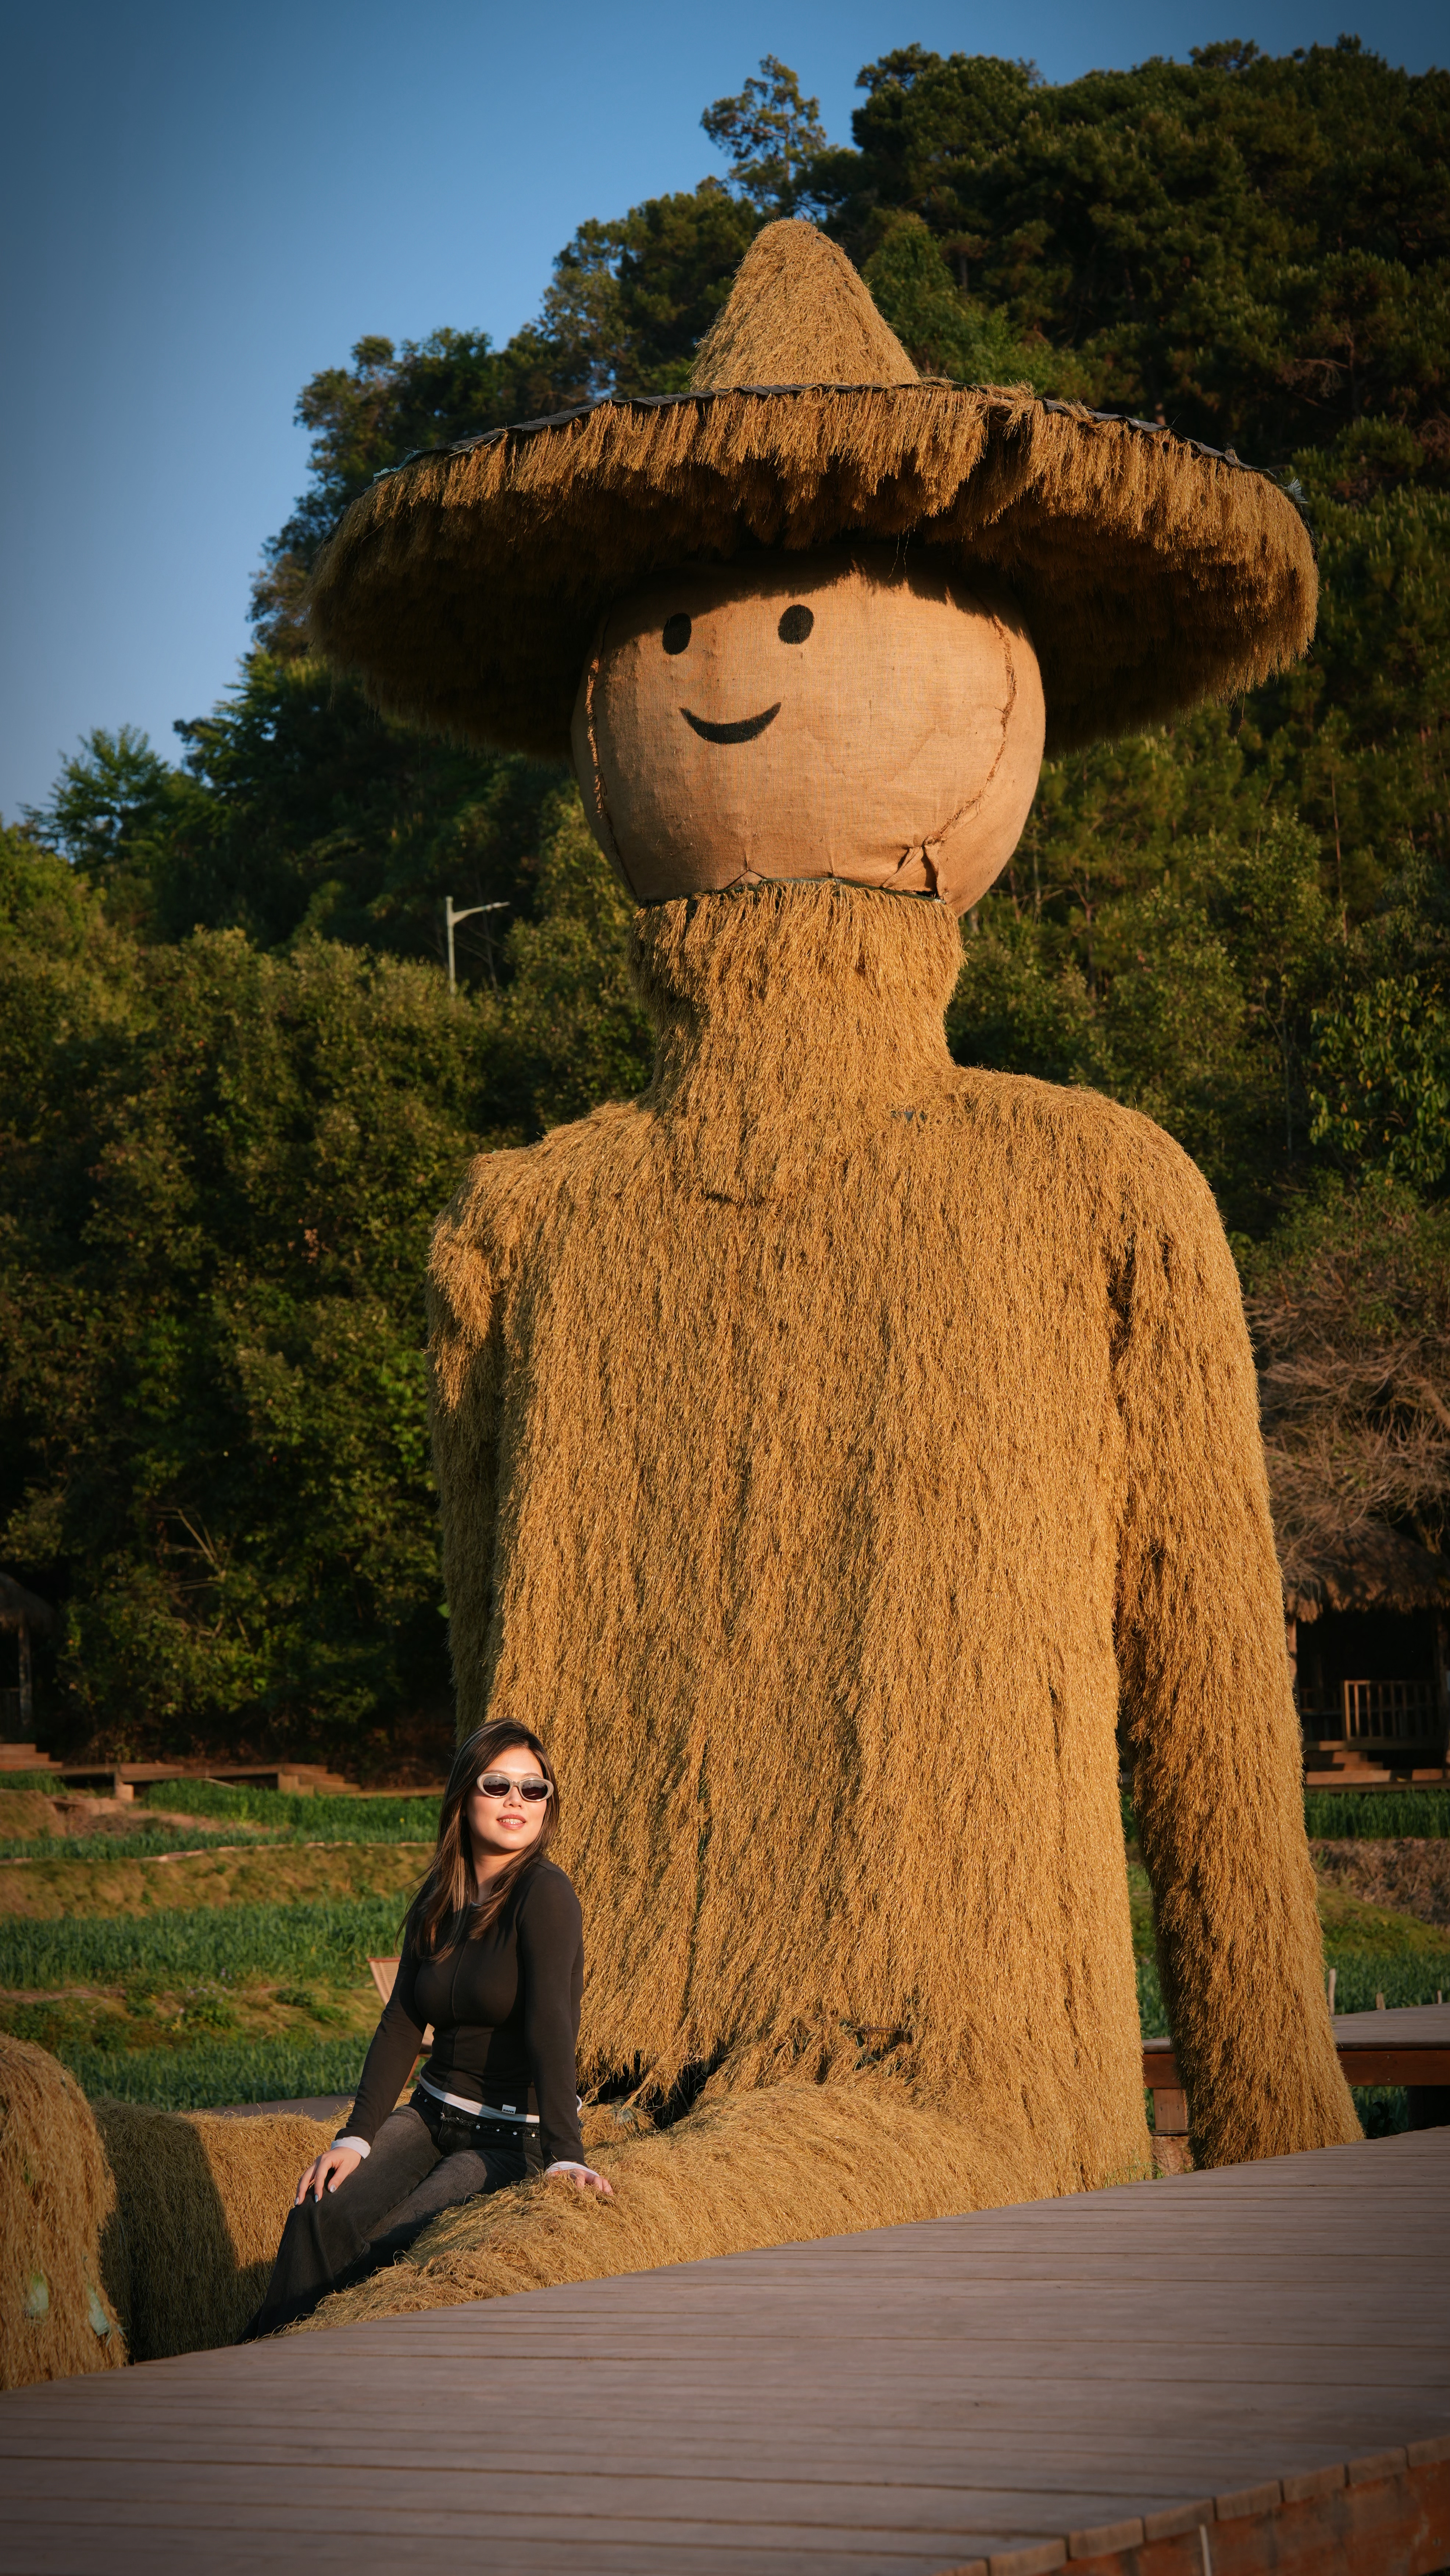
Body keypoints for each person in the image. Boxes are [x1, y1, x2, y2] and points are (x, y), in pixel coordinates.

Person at [242, 1720, 611, 2338]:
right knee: (320, 2209)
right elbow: (403, 2019)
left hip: (506, 2138)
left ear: (549, 1805)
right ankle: (261, 2356)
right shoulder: (441, 1894)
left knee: (393, 2246)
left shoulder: (546, 1895)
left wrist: (564, 2157)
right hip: (433, 2114)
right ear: (465, 1797)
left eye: (534, 1789)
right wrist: (356, 2138)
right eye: (497, 1785)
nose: (516, 1800)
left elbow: (554, 2024)